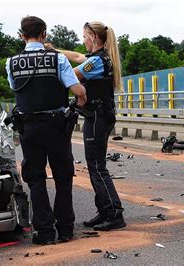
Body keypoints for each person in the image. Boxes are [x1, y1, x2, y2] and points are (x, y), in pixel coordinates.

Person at [5, 16, 87, 245]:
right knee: (63, 177)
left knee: (35, 178)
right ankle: (66, 229)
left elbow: (15, 87)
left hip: (29, 128)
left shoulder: (12, 62)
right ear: (44, 35)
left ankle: (44, 231)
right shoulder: (58, 59)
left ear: (22, 35)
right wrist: (82, 97)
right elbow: (77, 90)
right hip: (57, 126)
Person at [45, 21, 126, 231]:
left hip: (98, 116)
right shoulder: (99, 58)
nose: (83, 41)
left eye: (84, 37)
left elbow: (73, 74)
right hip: (99, 115)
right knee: (96, 165)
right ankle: (105, 211)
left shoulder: (97, 62)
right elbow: (79, 57)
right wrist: (56, 51)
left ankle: (114, 213)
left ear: (94, 38)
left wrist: (54, 61)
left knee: (97, 167)